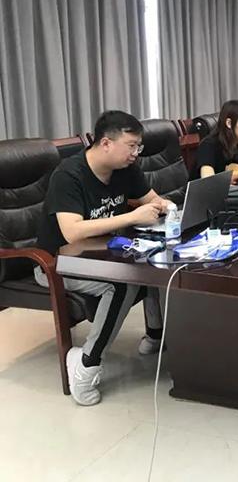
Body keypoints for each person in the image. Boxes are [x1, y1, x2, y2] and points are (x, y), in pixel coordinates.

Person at [35, 111, 173, 406]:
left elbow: (151, 199)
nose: (136, 153)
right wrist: (131, 217)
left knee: (154, 262)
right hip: (57, 263)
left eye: (138, 146)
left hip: (103, 254)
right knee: (121, 283)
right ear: (106, 143)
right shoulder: (69, 175)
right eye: (131, 145)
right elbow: (71, 232)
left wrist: (165, 206)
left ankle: (155, 334)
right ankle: (86, 364)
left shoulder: (125, 168)